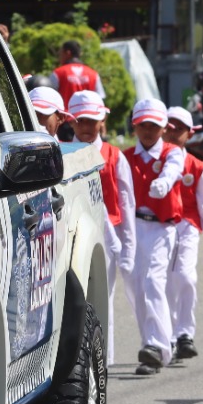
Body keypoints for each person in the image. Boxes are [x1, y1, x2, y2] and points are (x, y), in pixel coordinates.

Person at [69, 90, 135, 364]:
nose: (86, 127)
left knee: (101, 298)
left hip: (107, 237)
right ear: (71, 121)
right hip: (70, 234)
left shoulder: (114, 156)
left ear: (102, 122)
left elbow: (127, 202)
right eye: (81, 121)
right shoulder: (63, 152)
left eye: (92, 121)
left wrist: (129, 248)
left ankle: (102, 359)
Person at [123, 99, 187, 374]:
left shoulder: (173, 153)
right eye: (143, 125)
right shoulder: (126, 157)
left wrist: (163, 182)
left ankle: (157, 345)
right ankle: (152, 347)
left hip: (162, 227)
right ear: (135, 126)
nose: (148, 131)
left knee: (153, 282)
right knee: (137, 289)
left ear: (164, 128)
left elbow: (173, 170)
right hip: (134, 226)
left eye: (154, 125)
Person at [162, 107, 203, 361]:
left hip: (187, 227)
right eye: (170, 127)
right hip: (158, 227)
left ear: (189, 134)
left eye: (180, 129)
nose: (174, 133)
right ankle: (168, 337)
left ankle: (185, 333)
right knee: (162, 283)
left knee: (185, 277)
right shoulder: (153, 161)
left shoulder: (196, 166)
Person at [52, 40, 102, 109]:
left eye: (60, 53)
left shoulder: (58, 73)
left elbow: (49, 97)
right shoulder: (93, 74)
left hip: (66, 117)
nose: (59, 57)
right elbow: (100, 99)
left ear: (67, 53)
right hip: (88, 117)